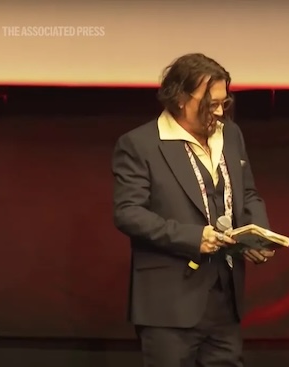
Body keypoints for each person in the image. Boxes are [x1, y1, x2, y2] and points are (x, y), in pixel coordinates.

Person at [112, 53, 275, 367]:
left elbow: (249, 193)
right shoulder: (140, 144)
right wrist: (192, 237)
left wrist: (259, 233)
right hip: (169, 302)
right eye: (209, 103)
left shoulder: (230, 135)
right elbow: (128, 212)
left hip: (224, 297)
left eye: (223, 103)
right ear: (180, 100)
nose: (218, 111)